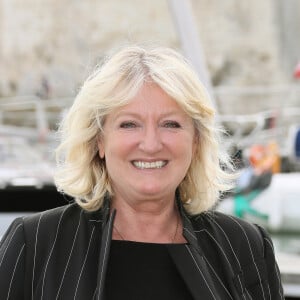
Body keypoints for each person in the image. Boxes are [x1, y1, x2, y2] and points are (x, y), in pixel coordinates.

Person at [0, 45, 283, 299]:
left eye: (170, 124)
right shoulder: (35, 244)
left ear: (196, 141)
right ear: (99, 140)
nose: (150, 144)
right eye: (129, 124)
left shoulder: (247, 247)